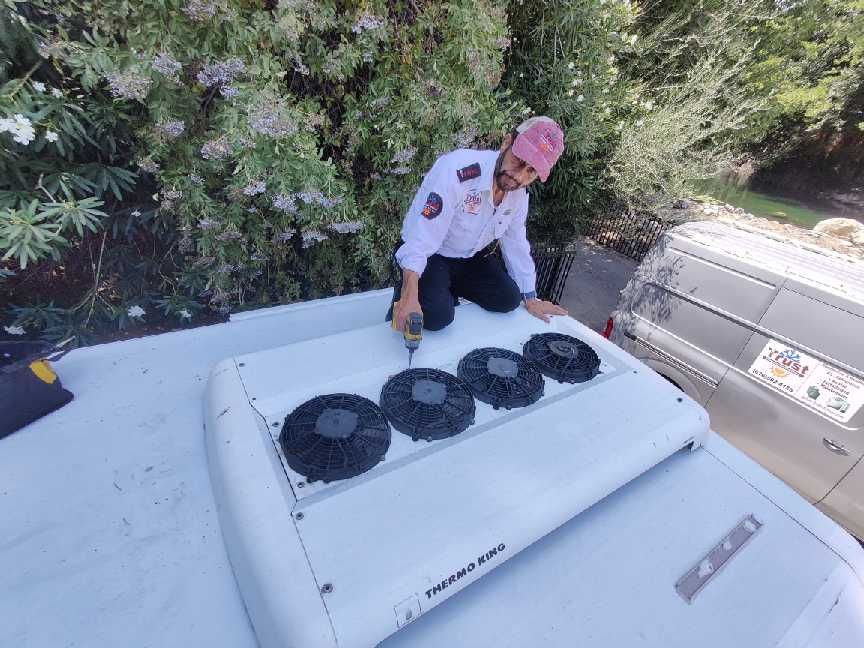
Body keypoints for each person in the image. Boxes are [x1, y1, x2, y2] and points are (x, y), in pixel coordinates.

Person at [389, 116, 569, 332]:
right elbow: (421, 237)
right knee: (437, 317)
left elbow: (516, 241)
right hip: (432, 253)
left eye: (531, 171)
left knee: (509, 299)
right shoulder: (457, 171)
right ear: (506, 143)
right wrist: (410, 293)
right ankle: (409, 301)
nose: (518, 176)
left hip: (468, 257)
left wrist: (531, 297)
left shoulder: (518, 195)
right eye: (519, 160)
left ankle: (444, 291)